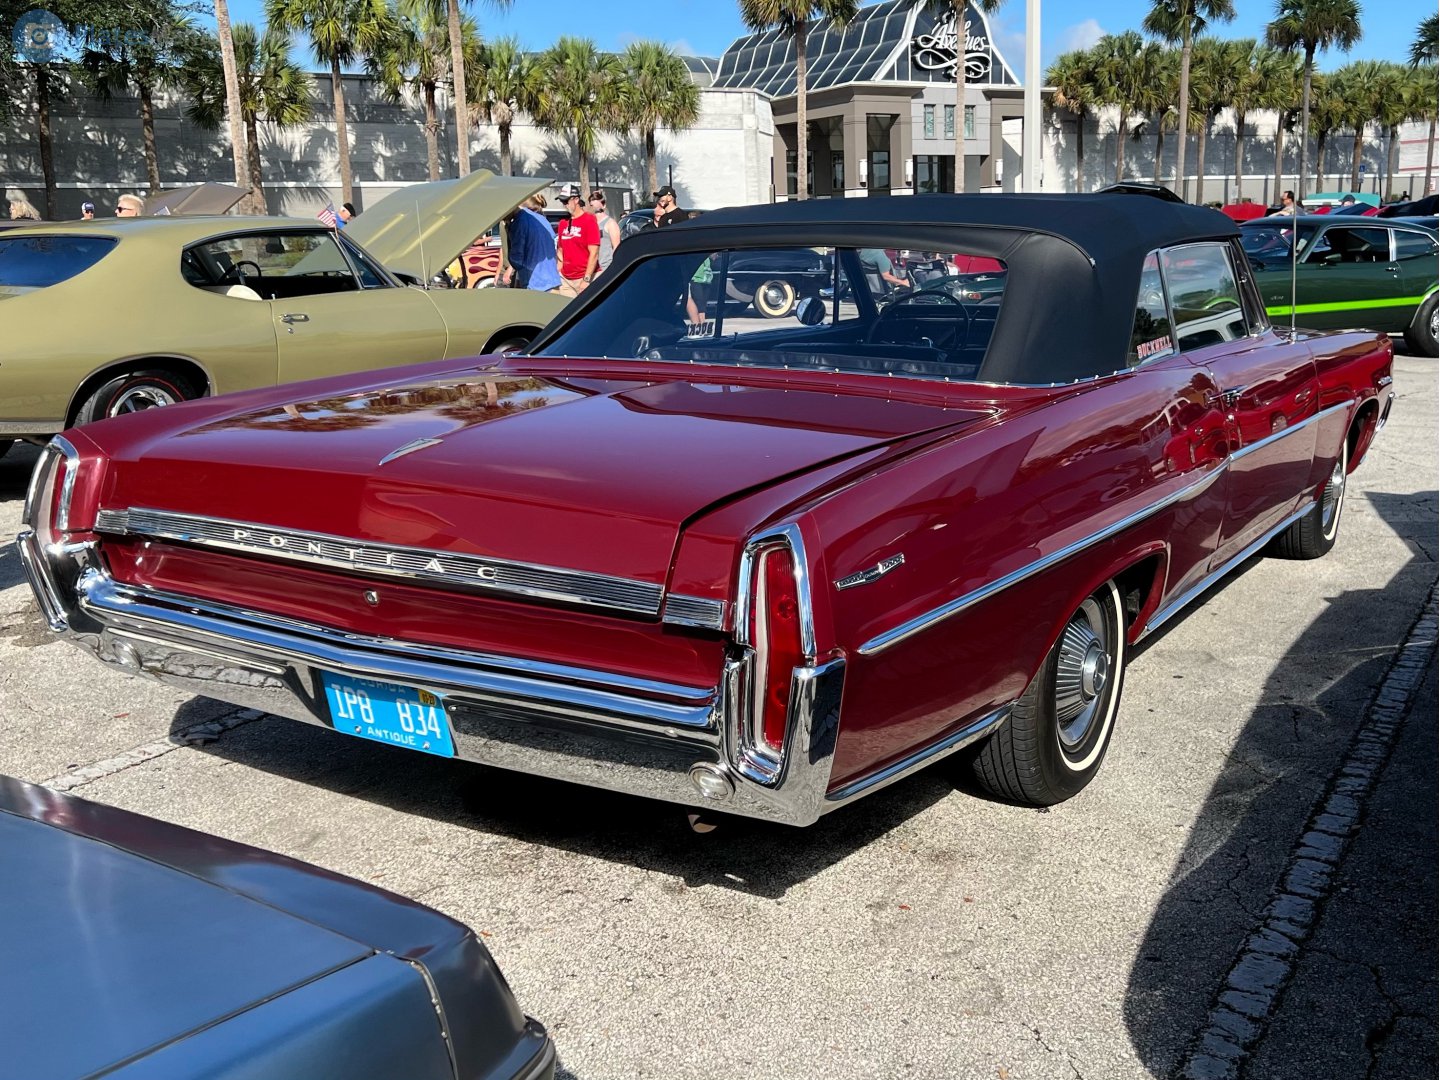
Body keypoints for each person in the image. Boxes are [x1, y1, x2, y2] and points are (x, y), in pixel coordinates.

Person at [500, 196, 561, 292]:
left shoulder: (519, 223)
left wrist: (509, 230)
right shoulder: (541, 219)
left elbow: (516, 259)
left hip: (534, 281)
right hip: (552, 278)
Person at [554, 184, 600, 297]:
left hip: (586, 277)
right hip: (566, 280)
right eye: (562, 202)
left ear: (576, 200)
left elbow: (594, 253)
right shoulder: (563, 223)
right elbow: (560, 251)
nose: (564, 205)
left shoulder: (589, 220)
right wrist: (557, 274)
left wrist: (587, 279)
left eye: (566, 201)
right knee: (567, 312)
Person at [587, 190, 622, 274]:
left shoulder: (610, 223)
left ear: (604, 206)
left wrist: (612, 268)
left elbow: (616, 248)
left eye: (597, 208)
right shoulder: (588, 224)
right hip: (590, 269)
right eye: (591, 206)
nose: (595, 212)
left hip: (605, 268)